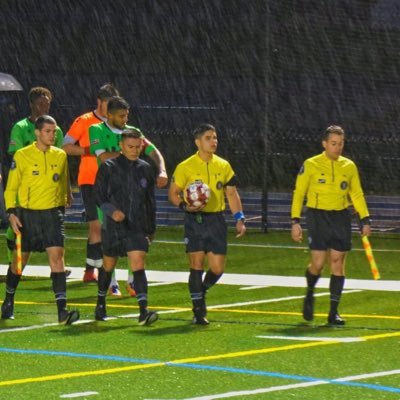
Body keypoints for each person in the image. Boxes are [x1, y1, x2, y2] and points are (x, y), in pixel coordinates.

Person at [290, 125, 371, 326]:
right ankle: (310, 293)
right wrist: (295, 221)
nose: (337, 147)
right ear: (324, 144)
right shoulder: (311, 164)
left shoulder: (349, 166)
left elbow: (357, 193)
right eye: (333, 143)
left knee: (337, 261)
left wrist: (365, 219)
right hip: (317, 216)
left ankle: (333, 312)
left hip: (341, 217)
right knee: (318, 263)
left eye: (340, 143)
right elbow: (299, 193)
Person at [2, 115, 80, 324]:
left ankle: (62, 311)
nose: (52, 135)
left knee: (57, 260)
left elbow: (63, 182)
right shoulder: (22, 155)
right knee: (19, 262)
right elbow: (11, 187)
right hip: (27, 215)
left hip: (52, 215)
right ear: (37, 133)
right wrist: (11, 212)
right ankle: (8, 300)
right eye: (48, 131)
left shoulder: (60, 155)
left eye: (54, 132)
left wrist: (63, 204)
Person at [168, 123, 246, 325]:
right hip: (195, 220)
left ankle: (200, 291)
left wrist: (239, 218)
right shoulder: (186, 166)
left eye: (215, 137)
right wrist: (185, 206)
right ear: (198, 142)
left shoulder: (223, 165)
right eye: (209, 138)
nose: (214, 141)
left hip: (216, 220)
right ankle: (198, 311)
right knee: (196, 265)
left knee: (218, 268)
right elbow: (173, 193)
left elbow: (231, 193)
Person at [89, 95, 168, 296]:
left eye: (127, 115)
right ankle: (111, 282)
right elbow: (103, 156)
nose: (125, 119)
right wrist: (129, 154)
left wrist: (162, 170)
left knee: (137, 234)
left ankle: (133, 281)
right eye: (121, 116)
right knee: (109, 241)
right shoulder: (96, 130)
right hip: (109, 193)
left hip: (133, 191)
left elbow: (153, 150)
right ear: (109, 115)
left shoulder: (133, 133)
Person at [94, 128, 158, 325]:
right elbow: (98, 196)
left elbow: (150, 202)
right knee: (108, 265)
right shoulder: (108, 167)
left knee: (138, 264)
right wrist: (112, 211)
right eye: (130, 146)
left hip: (137, 226)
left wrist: (151, 229)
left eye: (138, 147)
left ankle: (143, 310)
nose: (134, 150)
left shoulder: (146, 168)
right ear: (121, 146)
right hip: (114, 226)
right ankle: (101, 303)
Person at [5, 87, 70, 274]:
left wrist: (65, 191)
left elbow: (60, 162)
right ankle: (14, 264)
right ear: (31, 104)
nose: (45, 106)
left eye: (47, 103)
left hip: (49, 189)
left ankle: (56, 267)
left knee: (55, 231)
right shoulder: (20, 127)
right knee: (16, 228)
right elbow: (13, 157)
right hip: (26, 185)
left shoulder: (55, 129)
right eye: (41, 103)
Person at [62, 83, 119, 284]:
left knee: (106, 227)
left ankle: (93, 269)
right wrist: (88, 151)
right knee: (97, 225)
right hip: (90, 180)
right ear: (99, 102)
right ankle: (92, 271)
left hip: (113, 182)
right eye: (107, 104)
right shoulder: (84, 121)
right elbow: (65, 146)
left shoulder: (117, 122)